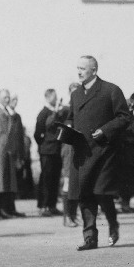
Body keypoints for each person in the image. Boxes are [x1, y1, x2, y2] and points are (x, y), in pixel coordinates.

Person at [66, 55, 132, 250]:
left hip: (104, 152)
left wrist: (105, 130)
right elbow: (71, 118)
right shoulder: (76, 94)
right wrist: (68, 127)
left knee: (102, 192)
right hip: (81, 152)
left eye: (83, 69)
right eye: (77, 68)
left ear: (94, 70)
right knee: (84, 194)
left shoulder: (110, 90)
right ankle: (90, 237)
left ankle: (113, 224)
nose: (79, 72)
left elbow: (124, 117)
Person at [0, 89, 27, 220]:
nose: (7, 100)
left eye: (8, 97)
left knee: (6, 182)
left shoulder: (10, 113)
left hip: (8, 153)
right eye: (4, 97)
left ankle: (4, 209)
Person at [34, 89, 65, 217]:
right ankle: (44, 205)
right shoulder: (43, 113)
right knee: (46, 178)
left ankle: (52, 205)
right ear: (47, 98)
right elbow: (38, 133)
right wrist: (44, 144)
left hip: (56, 150)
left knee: (55, 178)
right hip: (47, 151)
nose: (56, 99)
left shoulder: (56, 112)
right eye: (54, 97)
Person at [60, 82, 81, 227]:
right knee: (68, 182)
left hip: (79, 148)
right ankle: (67, 216)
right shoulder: (65, 110)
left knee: (76, 183)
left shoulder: (82, 108)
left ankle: (73, 215)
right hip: (68, 148)